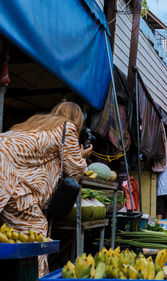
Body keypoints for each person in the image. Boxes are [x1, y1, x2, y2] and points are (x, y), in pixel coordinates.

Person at [0, 102, 92, 276]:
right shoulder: (67, 127)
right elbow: (75, 169)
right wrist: (82, 155)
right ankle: (36, 275)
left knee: (10, 236)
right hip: (7, 178)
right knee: (36, 231)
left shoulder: (39, 122)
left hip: (7, 176)